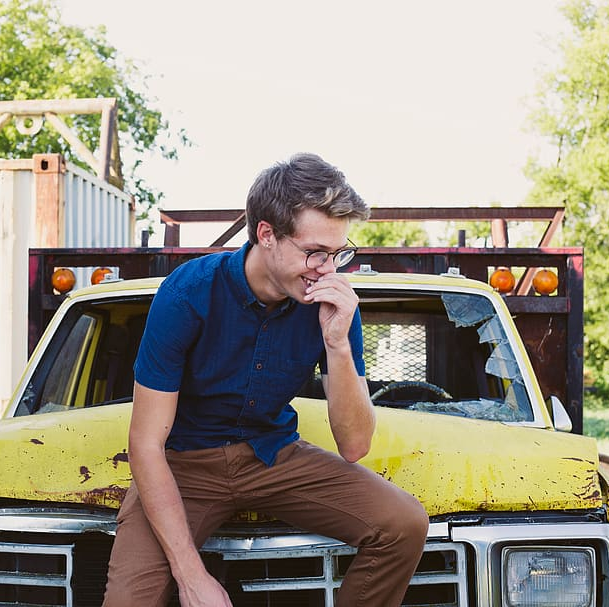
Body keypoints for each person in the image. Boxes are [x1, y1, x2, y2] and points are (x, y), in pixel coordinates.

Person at [102, 153, 428, 607]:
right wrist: (192, 578)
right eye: (314, 252)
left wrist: (337, 344)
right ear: (267, 234)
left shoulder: (334, 304)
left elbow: (354, 446)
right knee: (128, 601)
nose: (326, 268)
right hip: (184, 463)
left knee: (404, 522)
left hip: (275, 454)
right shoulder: (187, 294)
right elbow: (145, 444)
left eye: (338, 254)